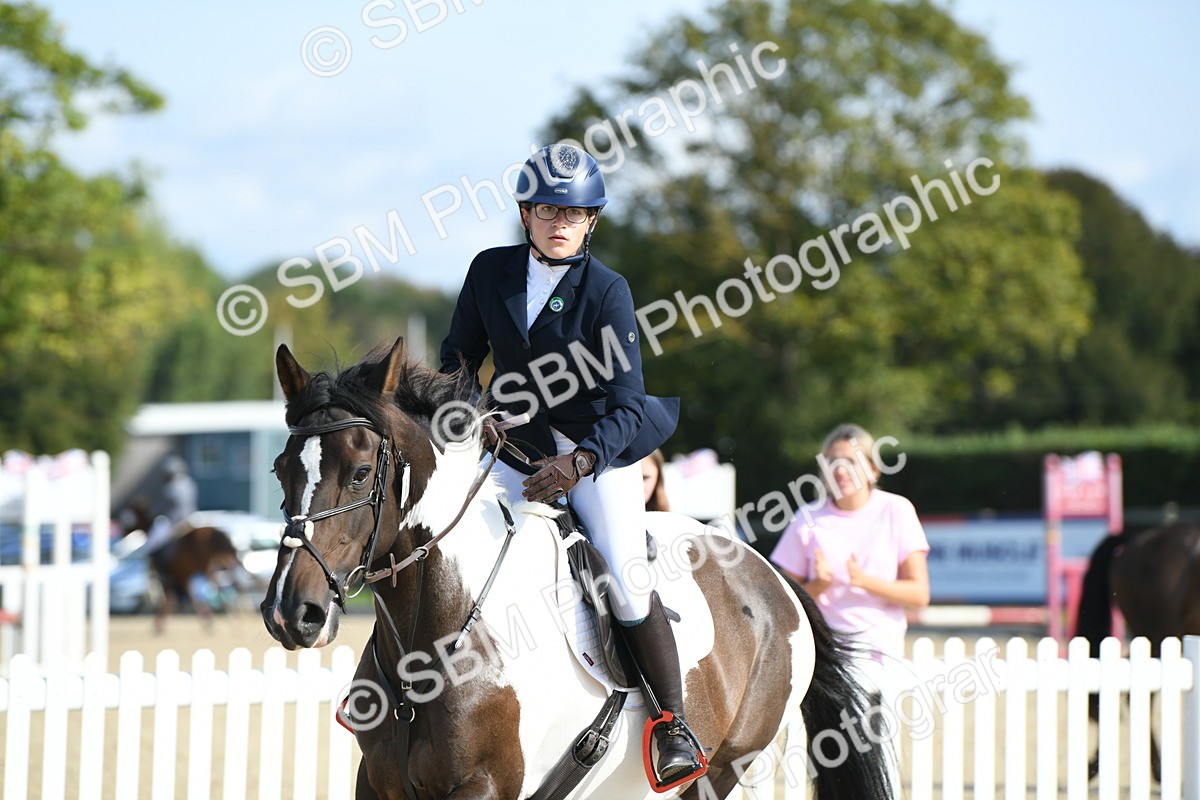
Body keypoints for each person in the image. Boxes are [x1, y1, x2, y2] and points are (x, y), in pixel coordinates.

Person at [439, 143, 702, 786]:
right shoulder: (489, 272)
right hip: (515, 445)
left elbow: (626, 402)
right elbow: (456, 359)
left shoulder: (607, 290)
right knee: (438, 533)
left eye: (574, 213)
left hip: (599, 448)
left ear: (591, 222)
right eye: (548, 209)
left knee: (624, 573)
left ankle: (673, 724)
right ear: (526, 215)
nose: (560, 222)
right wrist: (477, 413)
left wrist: (580, 463)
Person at [770, 423, 929, 790]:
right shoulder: (807, 518)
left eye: (851, 462)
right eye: (832, 462)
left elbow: (920, 593)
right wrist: (818, 586)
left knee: (871, 759)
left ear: (873, 469)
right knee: (827, 765)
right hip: (824, 657)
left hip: (878, 656)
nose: (840, 470)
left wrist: (865, 581)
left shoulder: (896, 510)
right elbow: (781, 599)